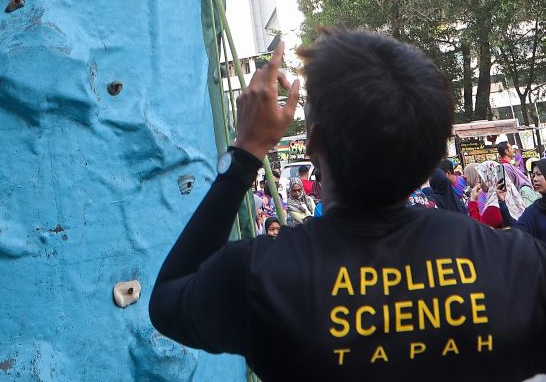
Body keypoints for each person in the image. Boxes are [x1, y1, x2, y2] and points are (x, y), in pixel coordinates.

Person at [149, 29, 546, 380]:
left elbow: (167, 297)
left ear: (314, 142)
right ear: (433, 149)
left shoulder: (260, 276)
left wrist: (246, 152)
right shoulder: (520, 265)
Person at [502, 159, 546, 242]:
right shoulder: (534, 210)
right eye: (533, 175)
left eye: (539, 174)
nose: (535, 179)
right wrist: (502, 203)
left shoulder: (525, 190)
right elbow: (517, 234)